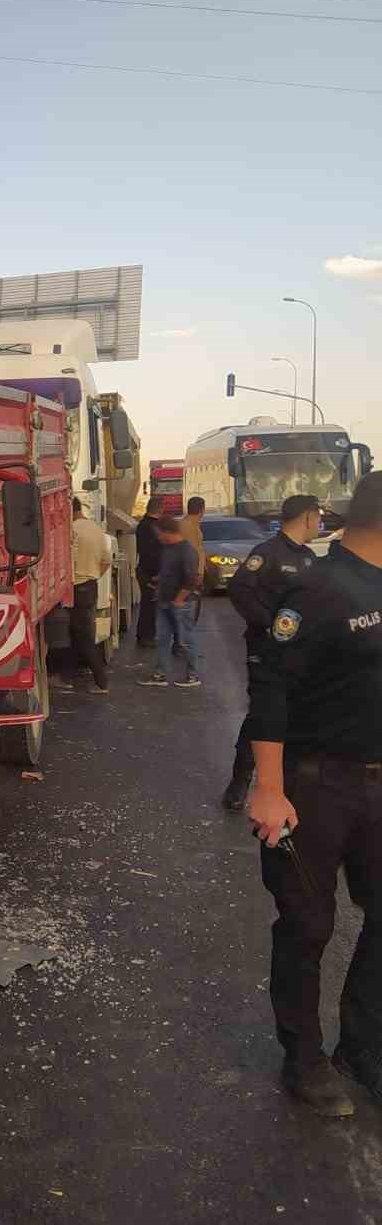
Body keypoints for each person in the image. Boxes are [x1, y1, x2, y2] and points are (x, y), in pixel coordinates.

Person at [243, 471, 382, 1118]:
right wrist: (267, 789)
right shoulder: (318, 588)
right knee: (308, 924)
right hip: (315, 785)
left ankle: (363, 1046)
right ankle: (304, 1058)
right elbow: (271, 689)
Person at [221, 494, 322, 811]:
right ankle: (240, 782)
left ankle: (290, 785)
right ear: (307, 517)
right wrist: (270, 625)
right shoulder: (267, 553)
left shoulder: (309, 558)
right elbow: (239, 590)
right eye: (317, 517)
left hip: (301, 656)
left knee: (299, 716)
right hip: (267, 653)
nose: (319, 524)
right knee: (263, 717)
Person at [138, 515, 201, 688]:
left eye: (160, 534)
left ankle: (192, 675)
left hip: (180, 603)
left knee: (186, 640)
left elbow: (191, 579)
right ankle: (161, 674)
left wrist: (179, 599)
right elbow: (169, 571)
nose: (158, 537)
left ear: (168, 532)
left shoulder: (187, 551)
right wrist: (159, 580)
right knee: (163, 639)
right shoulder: (168, 548)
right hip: (164, 601)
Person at [59, 498, 112, 694]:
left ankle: (101, 681)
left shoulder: (71, 531)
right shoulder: (96, 529)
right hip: (91, 585)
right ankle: (69, 675)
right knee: (78, 632)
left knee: (84, 636)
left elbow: (65, 560)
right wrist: (94, 574)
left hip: (77, 586)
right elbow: (107, 560)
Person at [135, 497, 164, 647]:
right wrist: (155, 576)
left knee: (149, 605)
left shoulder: (143, 525)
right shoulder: (152, 527)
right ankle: (146, 636)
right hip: (150, 572)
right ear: (160, 509)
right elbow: (152, 553)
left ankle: (146, 635)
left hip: (144, 570)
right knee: (149, 606)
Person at [179, 495, 208, 591]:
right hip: (191, 572)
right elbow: (193, 550)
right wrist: (198, 572)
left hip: (193, 571)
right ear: (202, 509)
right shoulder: (187, 525)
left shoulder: (192, 523)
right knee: (191, 601)